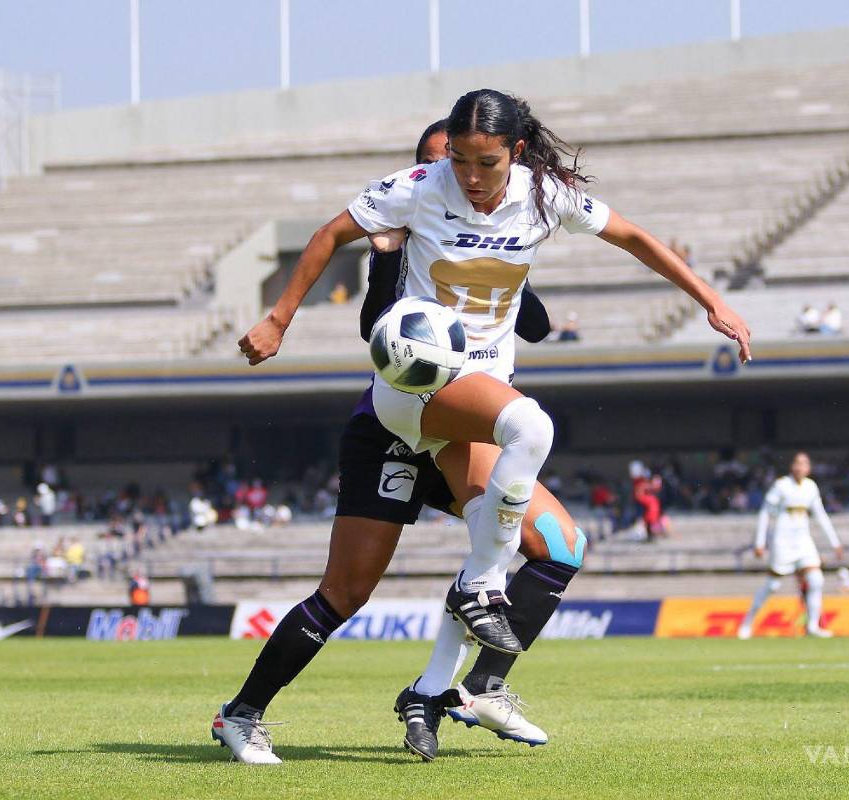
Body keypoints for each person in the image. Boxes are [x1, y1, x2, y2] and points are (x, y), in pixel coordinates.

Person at [226, 90, 752, 765]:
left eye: (486, 162)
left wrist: (713, 302)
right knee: (357, 584)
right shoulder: (418, 187)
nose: (470, 176)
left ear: (517, 153)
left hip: (475, 411)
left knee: (557, 542)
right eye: (462, 162)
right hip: (406, 400)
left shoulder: (545, 196)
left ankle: (458, 688)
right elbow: (330, 234)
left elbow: (635, 239)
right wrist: (279, 317)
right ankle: (243, 715)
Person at [739, 452, 843, 640]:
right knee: (772, 585)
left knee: (816, 579)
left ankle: (812, 626)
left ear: (809, 468)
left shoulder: (811, 487)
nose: (800, 467)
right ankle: (747, 623)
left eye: (804, 464)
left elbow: (820, 515)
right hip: (782, 541)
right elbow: (765, 513)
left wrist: (835, 542)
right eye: (797, 463)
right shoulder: (781, 486)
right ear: (791, 466)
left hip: (803, 541)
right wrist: (760, 542)